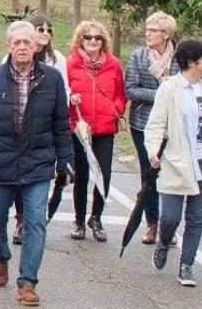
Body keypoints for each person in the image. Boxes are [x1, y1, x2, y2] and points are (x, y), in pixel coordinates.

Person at [0, 21, 73, 307]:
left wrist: (66, 161)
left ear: (36, 46)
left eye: (28, 42)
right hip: (0, 163)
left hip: (37, 163)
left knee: (36, 223)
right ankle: (0, 256)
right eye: (17, 43)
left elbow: (62, 125)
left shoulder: (51, 79)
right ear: (9, 47)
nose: (23, 47)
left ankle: (27, 282)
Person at [144, 39, 202, 288]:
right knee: (170, 217)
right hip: (176, 162)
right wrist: (153, 151)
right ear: (191, 62)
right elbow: (156, 124)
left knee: (196, 217)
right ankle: (163, 241)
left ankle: (187, 264)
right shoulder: (170, 89)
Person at [65, 20, 126, 243]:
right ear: (81, 40)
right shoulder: (71, 64)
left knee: (104, 174)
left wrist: (116, 110)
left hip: (104, 127)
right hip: (80, 126)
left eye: (97, 38)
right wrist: (71, 98)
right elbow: (64, 88)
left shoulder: (113, 65)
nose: (92, 41)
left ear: (103, 42)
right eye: (88, 37)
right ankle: (79, 220)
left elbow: (120, 93)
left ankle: (96, 218)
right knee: (81, 175)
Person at [11, 13, 68, 244]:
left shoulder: (57, 60)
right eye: (40, 29)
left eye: (48, 30)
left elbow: (64, 91)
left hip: (47, 127)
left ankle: (36, 218)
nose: (45, 34)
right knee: (18, 176)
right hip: (20, 128)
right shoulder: (14, 56)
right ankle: (22, 218)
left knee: (44, 175)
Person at [124, 10, 179, 245]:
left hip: (172, 125)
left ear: (166, 34)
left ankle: (169, 224)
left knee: (170, 174)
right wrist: (162, 94)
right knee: (150, 173)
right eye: (147, 29)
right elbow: (131, 89)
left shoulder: (180, 58)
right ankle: (152, 222)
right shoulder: (138, 57)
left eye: (154, 30)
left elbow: (184, 87)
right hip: (143, 123)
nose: (148, 34)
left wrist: (171, 95)